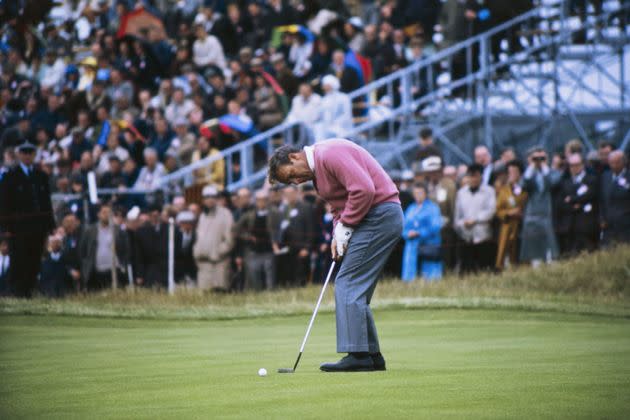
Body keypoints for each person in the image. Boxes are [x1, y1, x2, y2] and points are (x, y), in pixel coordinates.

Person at [268, 139, 403, 372]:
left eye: (291, 175)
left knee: (348, 283)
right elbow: (338, 206)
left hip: (379, 215)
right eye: (290, 182)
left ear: (294, 157)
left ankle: (359, 356)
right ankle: (371, 355)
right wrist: (337, 234)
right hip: (370, 218)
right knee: (355, 287)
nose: (296, 182)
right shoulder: (317, 174)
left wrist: (347, 225)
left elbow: (364, 189)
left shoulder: (329, 154)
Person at [0, 140, 55, 297]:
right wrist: (5, 228)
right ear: (19, 154)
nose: (27, 156)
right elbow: (4, 204)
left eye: (30, 153)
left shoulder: (41, 177)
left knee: (34, 261)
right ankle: (17, 293)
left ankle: (29, 292)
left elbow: (46, 203)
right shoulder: (10, 177)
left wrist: (50, 225)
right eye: (24, 152)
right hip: (18, 229)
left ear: (34, 154)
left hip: (37, 228)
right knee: (18, 261)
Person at [519, 147, 563, 266]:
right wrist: (532, 166)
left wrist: (544, 166)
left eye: (542, 158)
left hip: (548, 215)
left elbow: (552, 183)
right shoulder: (529, 175)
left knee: (550, 249)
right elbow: (523, 184)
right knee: (534, 252)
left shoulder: (553, 173)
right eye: (536, 158)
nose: (539, 161)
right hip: (532, 216)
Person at [454, 164, 496, 274]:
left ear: (481, 176)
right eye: (470, 176)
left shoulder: (489, 191)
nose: (473, 179)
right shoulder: (461, 193)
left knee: (484, 269)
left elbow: (491, 211)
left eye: (476, 176)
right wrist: (464, 223)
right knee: (466, 271)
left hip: (483, 237)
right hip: (466, 237)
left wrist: (476, 220)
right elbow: (457, 216)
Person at [235, 190, 281, 291]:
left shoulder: (274, 212)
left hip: (268, 249)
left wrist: (275, 243)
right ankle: (258, 293)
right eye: (259, 200)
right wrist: (248, 236)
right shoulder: (250, 214)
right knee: (255, 275)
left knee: (270, 276)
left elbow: (277, 230)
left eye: (264, 200)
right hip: (254, 250)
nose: (261, 203)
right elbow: (236, 229)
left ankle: (270, 294)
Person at [555, 153, 600, 255]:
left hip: (588, 227)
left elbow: (590, 195)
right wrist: (575, 205)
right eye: (571, 165)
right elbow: (560, 204)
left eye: (577, 164)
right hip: (570, 229)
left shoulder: (592, 179)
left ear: (582, 164)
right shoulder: (564, 183)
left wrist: (571, 199)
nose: (574, 168)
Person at [79, 204, 130, 291]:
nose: (107, 215)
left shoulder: (118, 231)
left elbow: (125, 250)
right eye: (104, 212)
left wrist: (123, 265)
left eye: (109, 213)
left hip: (114, 270)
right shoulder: (90, 231)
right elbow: (82, 251)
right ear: (98, 214)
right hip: (96, 272)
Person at [193, 185, 234, 292]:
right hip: (203, 265)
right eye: (207, 197)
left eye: (212, 196)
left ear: (216, 198)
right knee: (203, 301)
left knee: (219, 298)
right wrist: (197, 252)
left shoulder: (226, 214)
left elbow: (230, 240)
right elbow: (199, 238)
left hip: (219, 264)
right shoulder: (202, 216)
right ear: (203, 199)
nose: (210, 199)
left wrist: (216, 253)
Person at [402, 183, 443, 281]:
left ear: (425, 194)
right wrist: (407, 234)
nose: (418, 195)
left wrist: (420, 233)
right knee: (410, 277)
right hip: (411, 247)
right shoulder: (411, 208)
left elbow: (436, 226)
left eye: (420, 192)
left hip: (428, 246)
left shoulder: (433, 208)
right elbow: (403, 226)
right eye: (416, 193)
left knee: (430, 276)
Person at [495, 160, 528, 270]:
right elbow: (498, 210)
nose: (512, 175)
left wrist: (523, 214)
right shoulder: (504, 190)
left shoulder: (527, 189)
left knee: (523, 255)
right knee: (507, 255)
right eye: (510, 172)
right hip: (508, 227)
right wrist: (509, 213)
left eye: (514, 172)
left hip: (524, 226)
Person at [600, 150, 630, 245]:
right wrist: (601, 218)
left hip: (626, 225)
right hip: (609, 226)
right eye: (611, 163)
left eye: (616, 162)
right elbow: (601, 200)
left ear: (623, 162)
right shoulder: (605, 176)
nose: (614, 166)